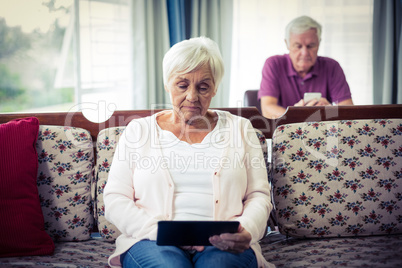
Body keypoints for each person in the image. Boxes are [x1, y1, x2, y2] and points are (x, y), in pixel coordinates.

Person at [104, 36, 273, 268]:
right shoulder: (138, 131)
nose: (192, 97)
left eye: (203, 87)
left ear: (214, 88)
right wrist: (163, 233)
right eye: (182, 85)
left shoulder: (241, 128)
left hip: (224, 244)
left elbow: (258, 195)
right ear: (167, 84)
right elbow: (115, 198)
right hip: (152, 241)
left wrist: (248, 229)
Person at [258, 15, 354, 119]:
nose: (304, 53)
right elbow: (267, 108)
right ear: (287, 44)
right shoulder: (273, 64)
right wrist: (296, 115)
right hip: (284, 132)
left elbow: (348, 110)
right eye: (298, 46)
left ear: (318, 43)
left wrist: (330, 110)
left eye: (311, 46)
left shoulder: (332, 66)